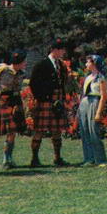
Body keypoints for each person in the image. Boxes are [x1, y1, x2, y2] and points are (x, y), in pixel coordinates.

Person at [29, 38, 70, 167]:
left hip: (57, 100)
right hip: (45, 101)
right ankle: (34, 159)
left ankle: (57, 158)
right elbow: (33, 84)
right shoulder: (41, 65)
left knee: (57, 129)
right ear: (53, 50)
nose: (63, 52)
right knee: (39, 130)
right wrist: (42, 98)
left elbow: (63, 83)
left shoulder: (61, 65)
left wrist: (62, 98)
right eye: (61, 49)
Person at [0, 50, 28, 169]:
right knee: (10, 130)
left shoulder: (21, 73)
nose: (25, 63)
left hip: (16, 100)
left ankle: (9, 158)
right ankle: (5, 159)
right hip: (6, 100)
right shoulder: (3, 70)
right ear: (18, 62)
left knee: (13, 131)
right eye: (23, 61)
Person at [78, 55, 107, 167]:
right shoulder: (88, 77)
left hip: (94, 101)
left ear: (94, 63)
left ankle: (101, 159)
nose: (86, 64)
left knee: (93, 130)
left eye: (88, 62)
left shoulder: (101, 78)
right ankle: (89, 158)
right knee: (84, 130)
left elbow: (104, 96)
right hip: (85, 101)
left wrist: (99, 112)